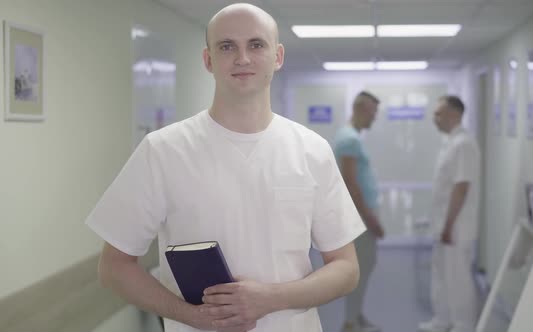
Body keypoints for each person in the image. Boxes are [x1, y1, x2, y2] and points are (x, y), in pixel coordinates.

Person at [85, 3, 366, 332]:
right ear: (208, 60)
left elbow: (346, 268)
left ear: (277, 57)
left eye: (256, 45)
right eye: (227, 46)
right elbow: (114, 267)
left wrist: (269, 299)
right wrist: (194, 316)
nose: (243, 58)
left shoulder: (311, 150)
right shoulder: (163, 150)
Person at [418, 95, 481, 332]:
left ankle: (463, 325)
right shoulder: (450, 143)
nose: (435, 118)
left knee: (458, 279)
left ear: (454, 114)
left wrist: (448, 226)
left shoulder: (463, 144)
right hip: (444, 226)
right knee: (442, 275)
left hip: (456, 227)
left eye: (438, 114)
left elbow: (461, 188)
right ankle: (442, 320)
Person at [333, 91, 384, 332]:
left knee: (366, 266)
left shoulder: (350, 137)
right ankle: (350, 323)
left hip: (361, 216)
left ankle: (357, 316)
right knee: (361, 269)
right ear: (361, 108)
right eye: (372, 112)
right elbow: (351, 183)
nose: (374, 118)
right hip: (361, 218)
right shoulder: (349, 140)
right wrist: (371, 219)